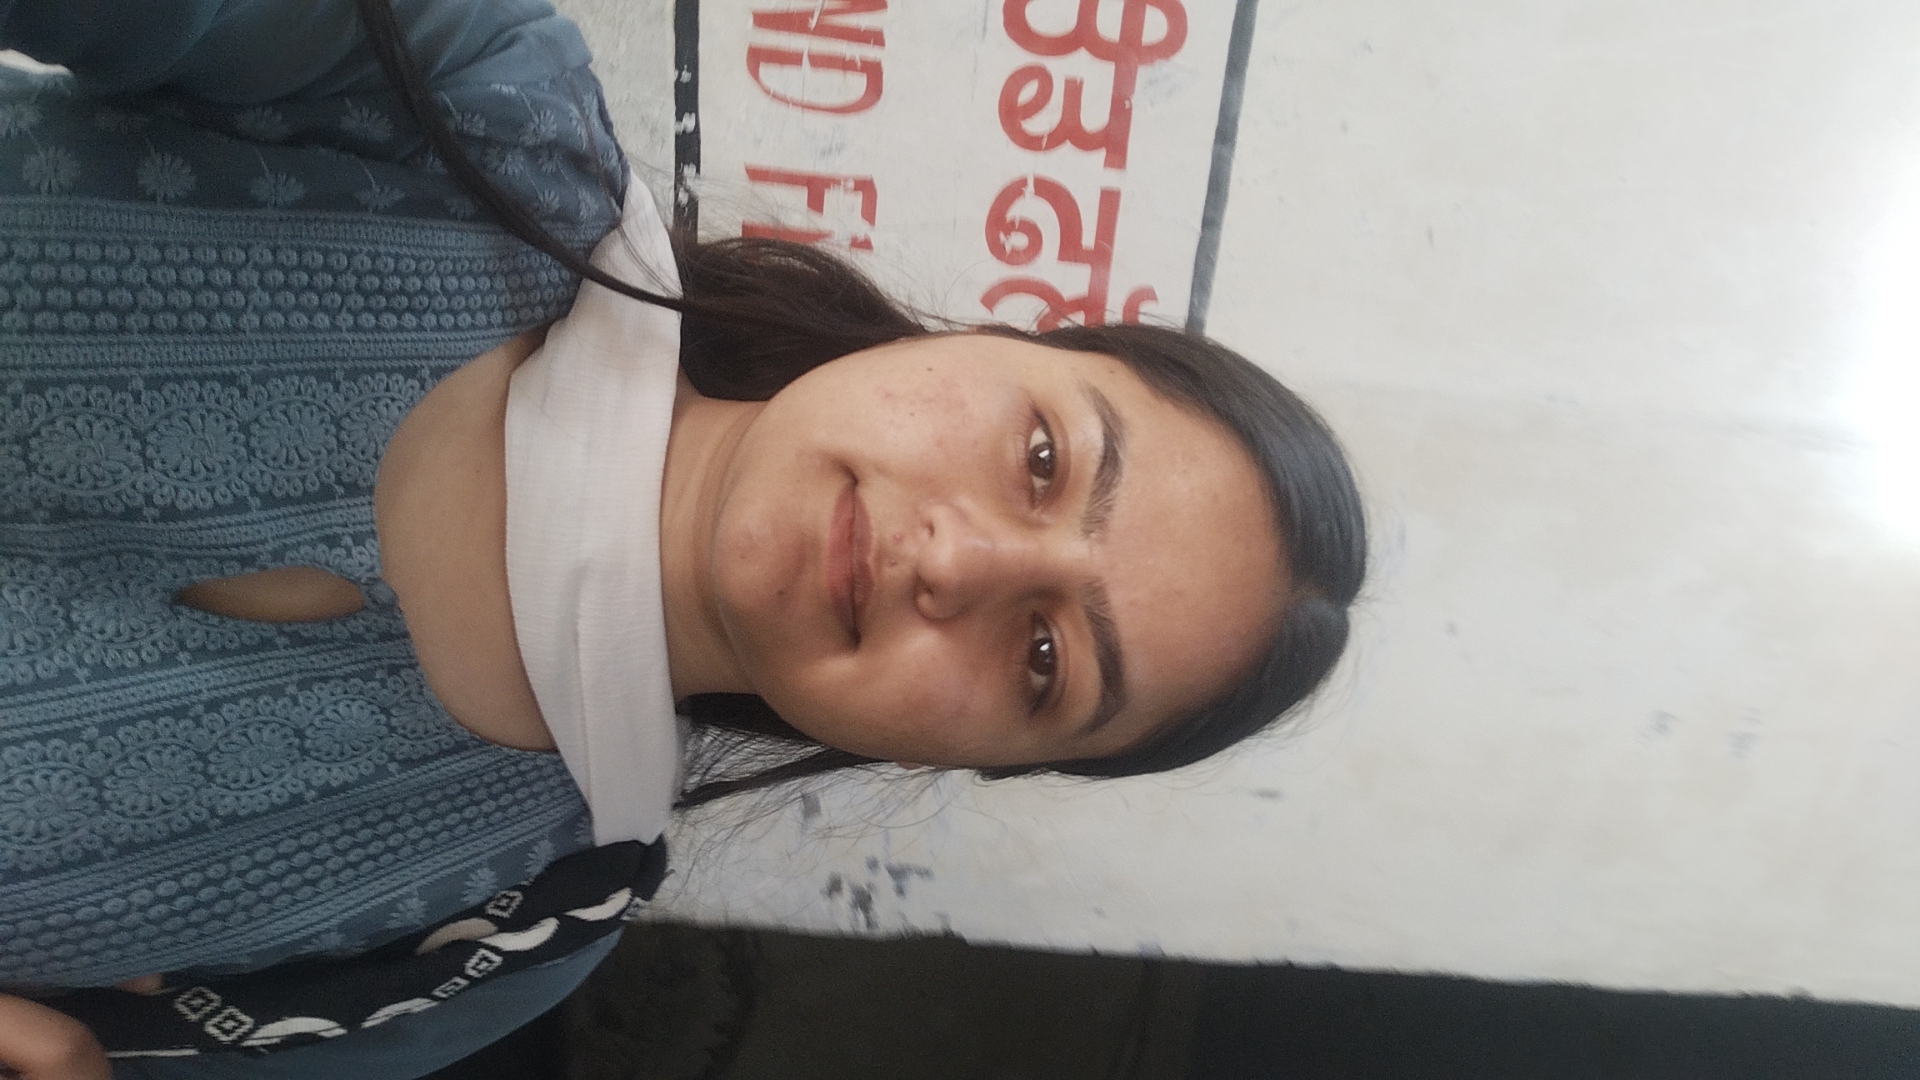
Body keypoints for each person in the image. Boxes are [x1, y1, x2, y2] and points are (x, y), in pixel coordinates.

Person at [0, 0, 1366, 1074]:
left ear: (973, 760)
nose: (958, 564)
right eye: (1047, 459)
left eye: (1047, 660)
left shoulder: (499, 938)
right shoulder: (475, 109)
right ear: (994, 338)